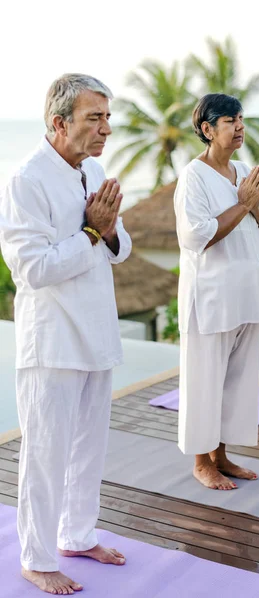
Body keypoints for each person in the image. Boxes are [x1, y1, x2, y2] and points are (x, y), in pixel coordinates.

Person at [0, 73, 132, 594]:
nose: (106, 129)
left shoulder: (94, 168)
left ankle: (77, 535)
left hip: (96, 331)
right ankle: (35, 557)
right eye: (93, 118)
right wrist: (93, 231)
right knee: (45, 454)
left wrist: (109, 229)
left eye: (107, 118)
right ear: (59, 122)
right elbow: (31, 269)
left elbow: (117, 248)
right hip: (51, 341)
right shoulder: (25, 179)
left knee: (88, 449)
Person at [174, 93, 259, 491]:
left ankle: (221, 455)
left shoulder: (244, 172)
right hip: (211, 299)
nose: (239, 126)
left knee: (235, 383)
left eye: (241, 118)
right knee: (205, 381)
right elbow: (195, 236)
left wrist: (252, 205)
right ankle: (202, 462)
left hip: (247, 295)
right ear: (207, 129)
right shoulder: (193, 177)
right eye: (229, 121)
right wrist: (243, 206)